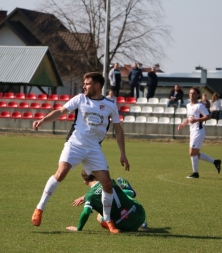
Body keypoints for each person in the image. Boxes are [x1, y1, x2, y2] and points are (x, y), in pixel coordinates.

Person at [31, 72, 130, 233]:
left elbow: (118, 130)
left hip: (94, 149)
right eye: (84, 83)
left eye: (87, 83)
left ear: (97, 86)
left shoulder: (110, 105)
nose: (84, 86)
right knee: (61, 173)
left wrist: (123, 153)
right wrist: (43, 120)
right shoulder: (80, 99)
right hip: (75, 145)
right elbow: (61, 111)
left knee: (107, 184)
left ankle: (107, 220)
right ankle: (39, 208)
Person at [66, 170, 146, 232]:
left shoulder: (90, 196)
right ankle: (130, 192)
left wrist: (78, 228)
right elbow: (100, 189)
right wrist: (84, 197)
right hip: (141, 214)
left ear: (85, 182)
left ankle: (112, 226)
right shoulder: (109, 181)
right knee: (121, 195)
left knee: (99, 216)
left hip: (126, 227)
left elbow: (86, 212)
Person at [178, 87, 221, 178]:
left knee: (192, 153)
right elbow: (189, 118)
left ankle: (195, 173)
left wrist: (197, 120)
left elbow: (208, 116)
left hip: (198, 131)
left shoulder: (200, 105)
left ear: (197, 95)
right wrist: (183, 124)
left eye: (193, 93)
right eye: (190, 93)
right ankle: (215, 162)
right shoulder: (188, 105)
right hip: (192, 131)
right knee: (196, 154)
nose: (191, 95)